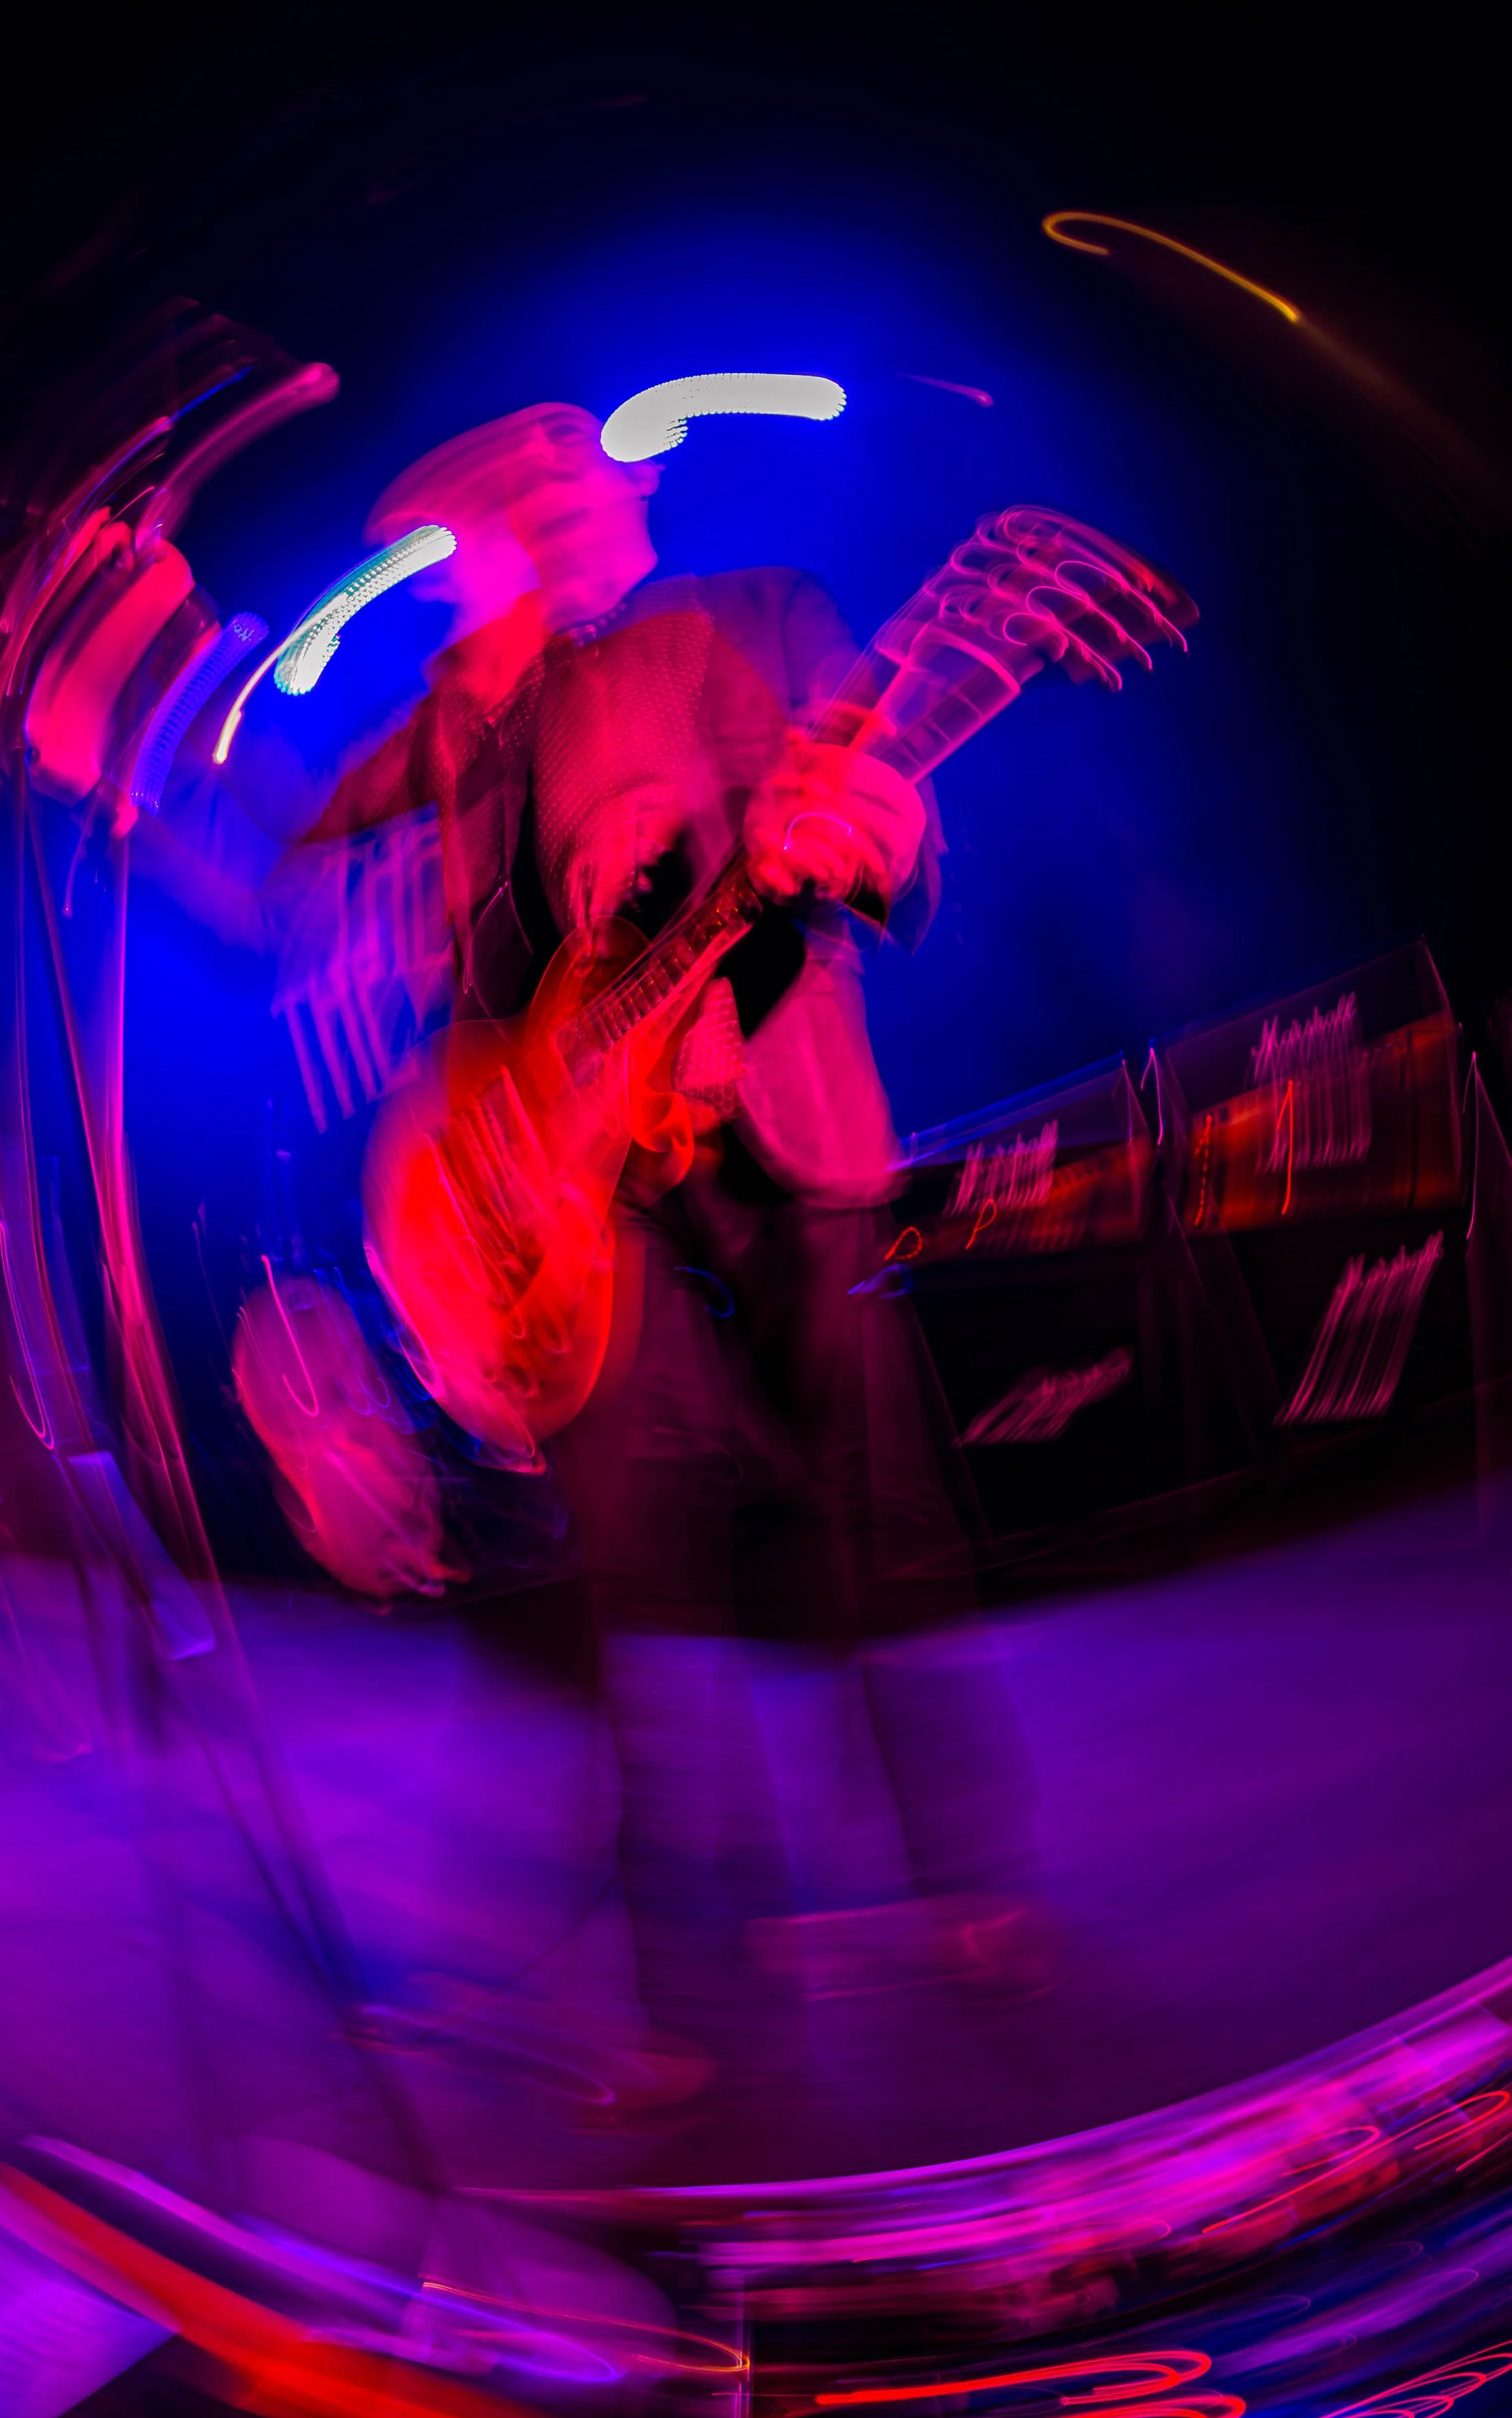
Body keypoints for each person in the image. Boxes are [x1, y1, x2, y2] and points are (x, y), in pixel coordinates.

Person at [299, 405, 1045, 2099]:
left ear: (627, 492)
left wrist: (868, 841)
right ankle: (690, 2004)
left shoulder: (750, 614)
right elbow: (366, 879)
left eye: (568, 477)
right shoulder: (482, 716)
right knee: (642, 1583)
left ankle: (967, 1888)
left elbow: (891, 838)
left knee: (876, 1522)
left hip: (777, 1133)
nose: (545, 511)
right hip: (584, 1196)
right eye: (509, 499)